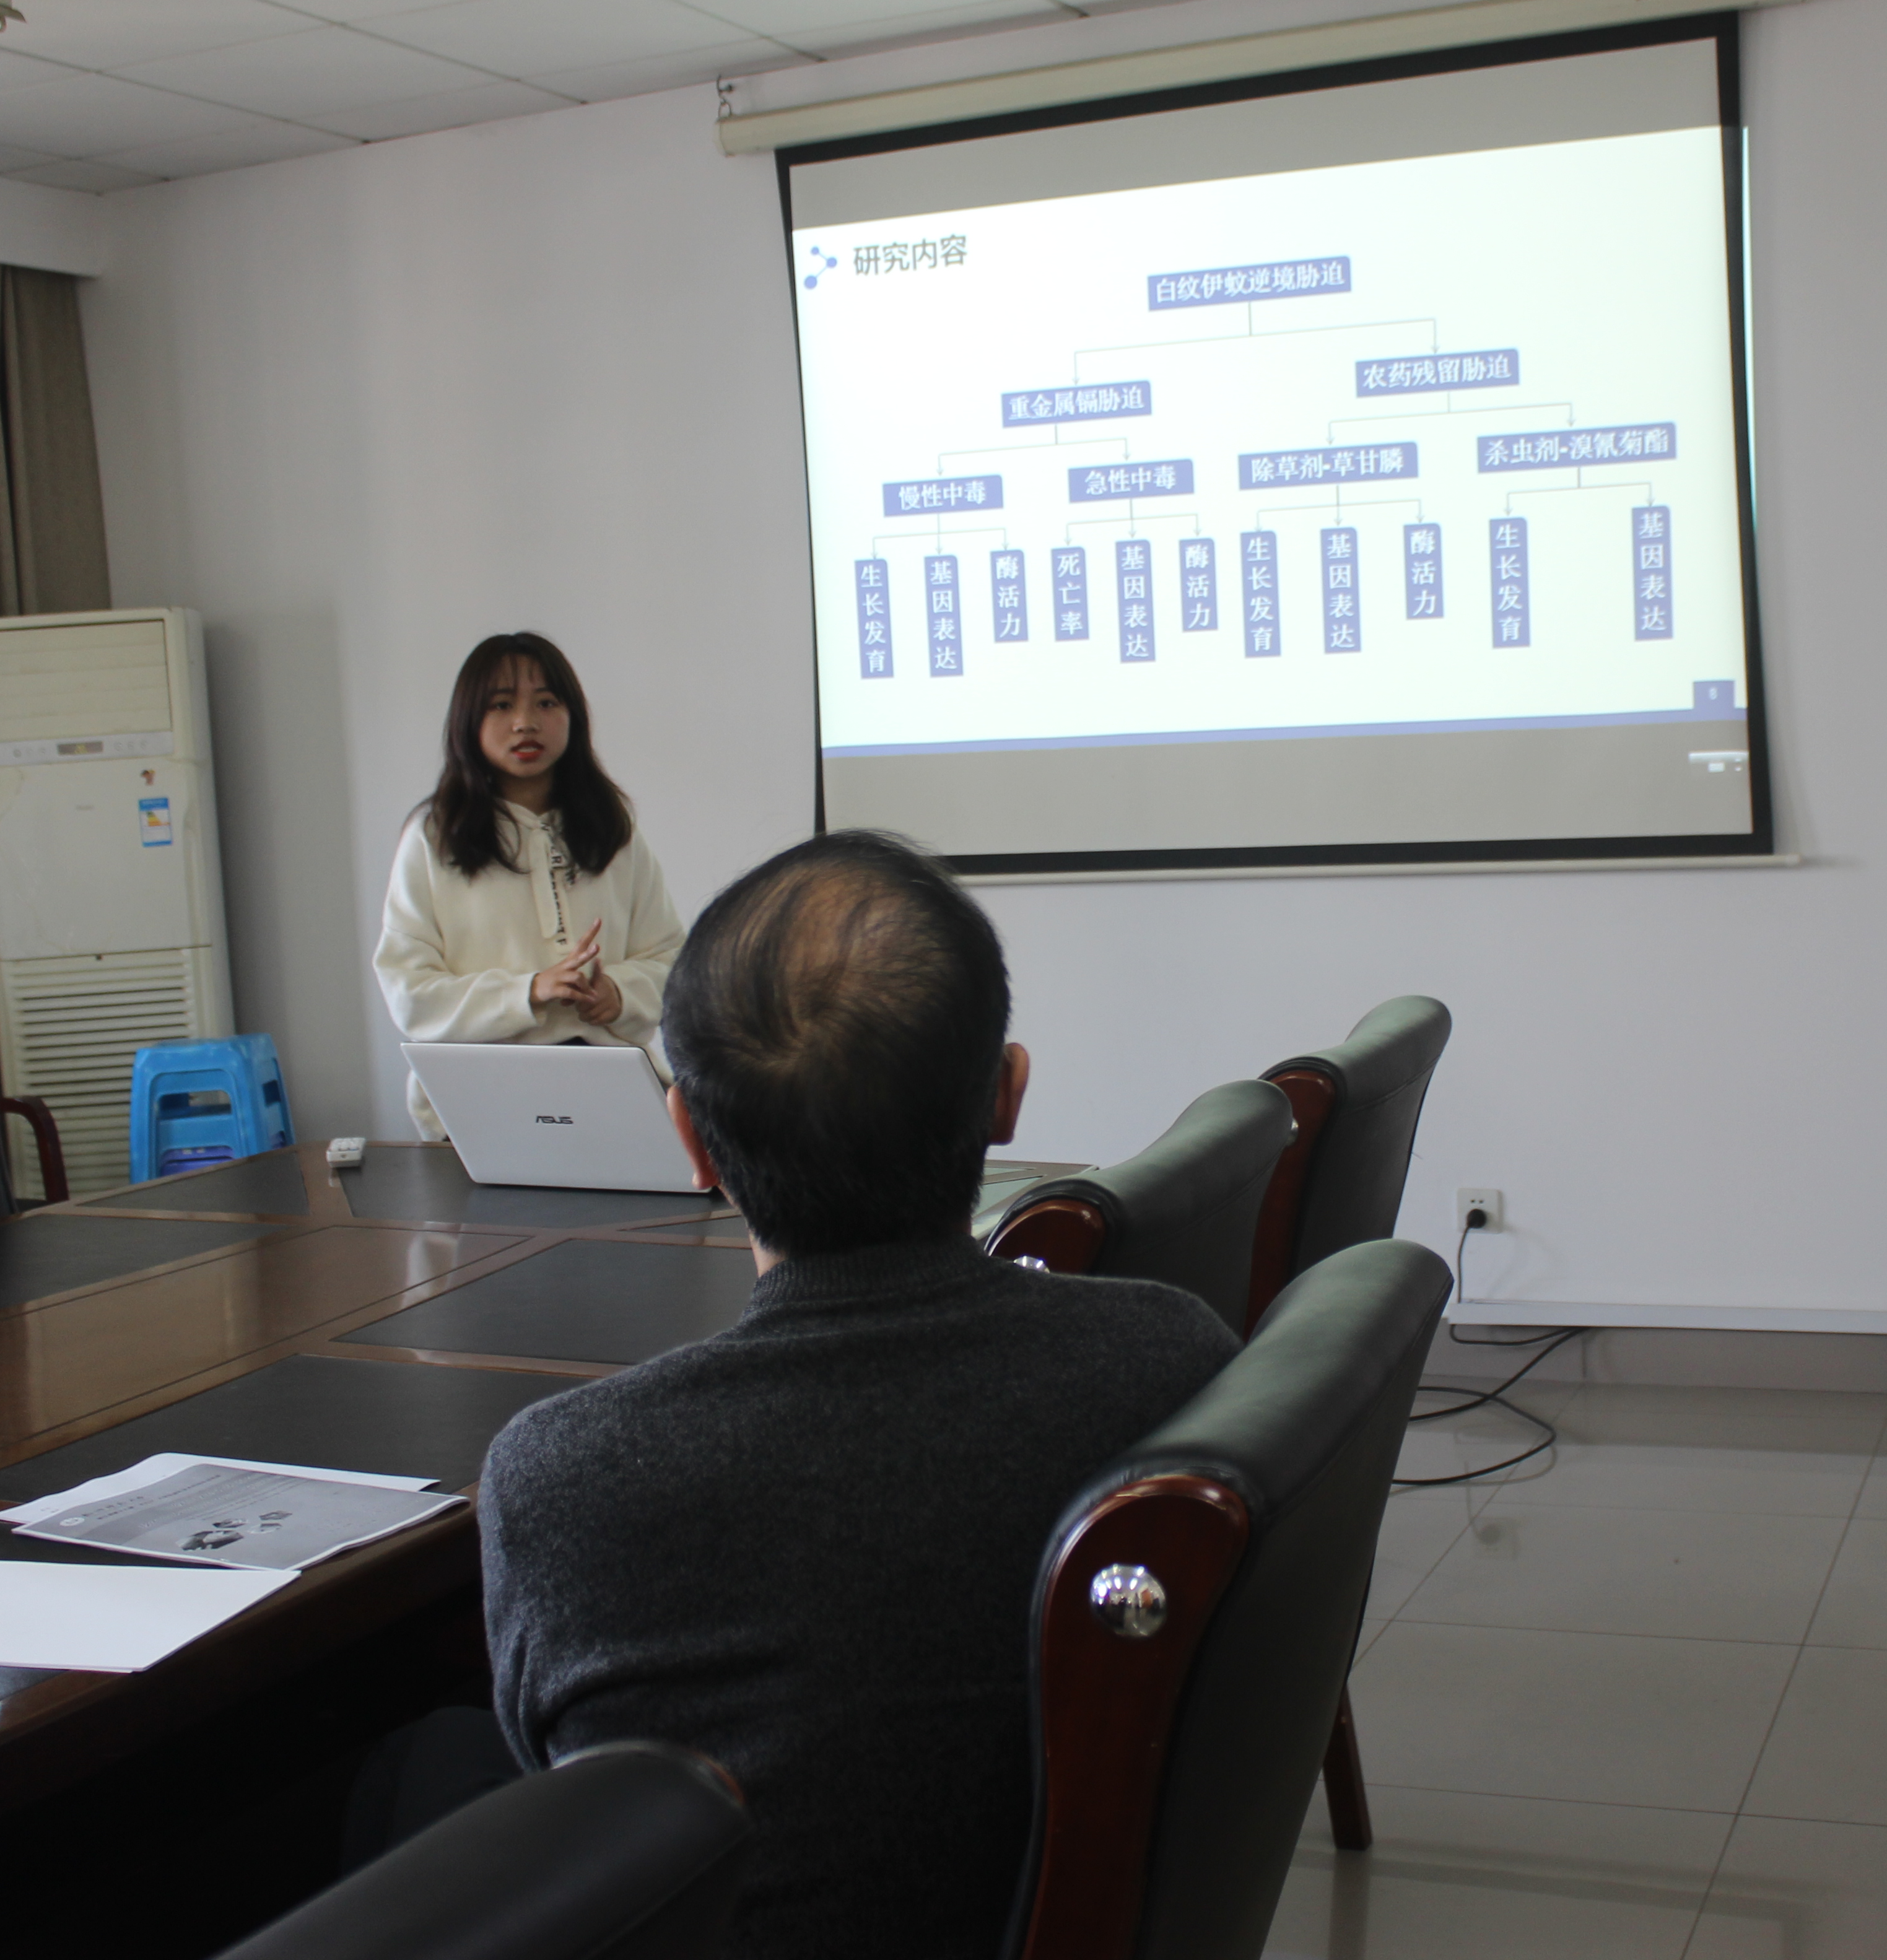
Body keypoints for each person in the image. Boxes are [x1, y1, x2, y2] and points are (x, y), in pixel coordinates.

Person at [475, 832, 1239, 1956]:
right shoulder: (1177, 1361)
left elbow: (552, 1786)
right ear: (1006, 1096)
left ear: (689, 1138)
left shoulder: (559, 1478)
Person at [373, 633, 681, 1141]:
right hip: (480, 1091)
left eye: (546, 702)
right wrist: (527, 992)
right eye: (501, 705)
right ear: (468, 720)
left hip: (610, 1084)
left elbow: (672, 962)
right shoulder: (434, 837)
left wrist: (619, 993)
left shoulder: (613, 828)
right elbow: (409, 993)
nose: (525, 722)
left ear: (573, 715)